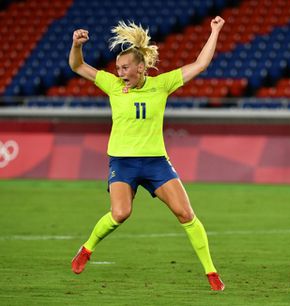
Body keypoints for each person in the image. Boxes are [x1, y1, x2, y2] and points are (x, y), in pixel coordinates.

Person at [69, 16, 226, 291]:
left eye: (125, 67)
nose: (120, 73)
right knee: (120, 213)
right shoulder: (112, 86)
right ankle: (86, 249)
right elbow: (77, 65)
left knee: (186, 213)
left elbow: (201, 64)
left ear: (141, 68)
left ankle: (211, 272)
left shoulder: (162, 84)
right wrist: (76, 45)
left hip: (156, 162)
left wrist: (215, 31)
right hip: (123, 161)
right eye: (118, 68)